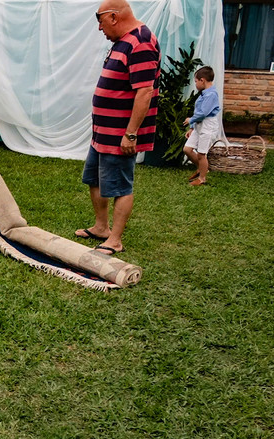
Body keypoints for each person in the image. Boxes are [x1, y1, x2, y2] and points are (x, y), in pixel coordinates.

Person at [75, 0, 160, 256]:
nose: (99, 28)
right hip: (103, 131)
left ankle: (115, 239)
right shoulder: (122, 41)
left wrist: (131, 133)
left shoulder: (141, 42)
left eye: (100, 21)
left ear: (113, 17)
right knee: (94, 179)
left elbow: (144, 92)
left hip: (121, 134)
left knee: (120, 185)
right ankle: (101, 228)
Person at [183, 66, 221, 186]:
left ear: (202, 80)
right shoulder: (204, 94)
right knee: (187, 149)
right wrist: (192, 127)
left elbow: (203, 113)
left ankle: (202, 178)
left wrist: (191, 120)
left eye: (196, 81)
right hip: (199, 124)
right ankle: (201, 168)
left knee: (201, 153)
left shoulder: (211, 95)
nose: (195, 84)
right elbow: (198, 111)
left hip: (207, 125)